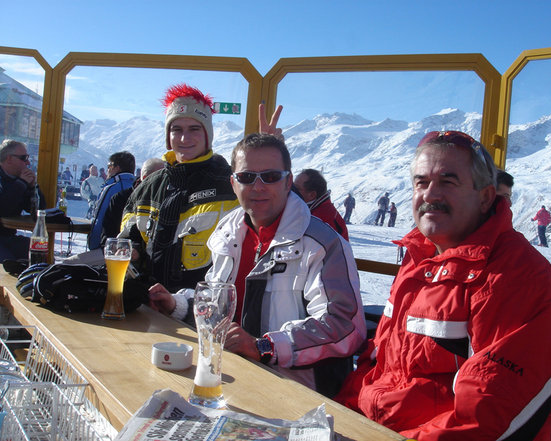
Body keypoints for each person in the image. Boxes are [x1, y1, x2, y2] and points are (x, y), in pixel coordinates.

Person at [335, 130, 551, 440]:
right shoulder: (420, 260)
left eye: (448, 182)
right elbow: (378, 365)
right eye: (421, 183)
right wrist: (339, 417)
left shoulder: (518, 279)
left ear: (485, 198)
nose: (431, 194)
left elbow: (484, 419)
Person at [149, 133, 366, 397]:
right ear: (233, 183)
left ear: (288, 183)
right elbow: (220, 304)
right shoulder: (226, 235)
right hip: (232, 379)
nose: (258, 186)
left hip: (298, 394)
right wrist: (178, 304)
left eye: (271, 177)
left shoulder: (322, 244)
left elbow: (344, 326)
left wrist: (265, 347)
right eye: (247, 177)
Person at [119, 84, 240, 291]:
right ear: (168, 136)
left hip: (202, 312)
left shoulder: (230, 185)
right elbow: (128, 238)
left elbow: (278, 210)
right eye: (177, 129)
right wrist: (134, 251)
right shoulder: (147, 187)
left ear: (207, 135)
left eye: (194, 129)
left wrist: (270, 164)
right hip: (148, 309)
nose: (185, 138)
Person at [0, 139, 46, 261]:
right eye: (23, 158)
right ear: (9, 159)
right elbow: (3, 209)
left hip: (8, 236)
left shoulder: (18, 180)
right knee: (9, 262)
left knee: (38, 254)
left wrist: (32, 188)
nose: (27, 162)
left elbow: (40, 212)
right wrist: (21, 184)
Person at [86, 151, 136, 250]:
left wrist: (94, 244)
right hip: (131, 248)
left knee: (69, 263)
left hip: (109, 247)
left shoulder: (111, 188)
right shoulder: (138, 187)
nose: (107, 169)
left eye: (109, 166)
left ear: (117, 168)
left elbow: (99, 219)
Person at [294, 168, 349, 240]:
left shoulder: (320, 219)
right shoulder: (313, 210)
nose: (292, 191)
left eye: (297, 188)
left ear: (312, 195)